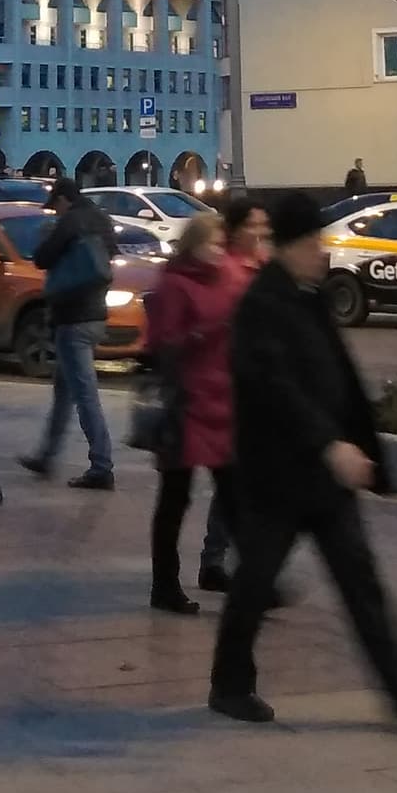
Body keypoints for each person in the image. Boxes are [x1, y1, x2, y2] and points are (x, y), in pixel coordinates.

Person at [208, 190, 397, 725]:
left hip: (323, 475)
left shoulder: (308, 298)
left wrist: (357, 443)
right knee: (256, 580)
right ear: (291, 247)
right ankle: (229, 685)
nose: (322, 253)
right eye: (313, 243)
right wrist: (329, 443)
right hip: (278, 473)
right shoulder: (262, 305)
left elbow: (337, 375)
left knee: (359, 578)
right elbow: (275, 387)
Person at [143, 207, 243, 613]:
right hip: (185, 406)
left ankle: (254, 578)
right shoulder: (175, 284)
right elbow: (164, 344)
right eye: (212, 244)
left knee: (235, 495)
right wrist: (206, 333)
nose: (219, 251)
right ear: (193, 246)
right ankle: (164, 585)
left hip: (221, 403)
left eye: (221, 244)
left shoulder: (226, 278)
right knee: (175, 498)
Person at [198, 195, 274, 591]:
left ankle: (220, 560)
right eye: (253, 225)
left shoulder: (259, 266)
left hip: (256, 388)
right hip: (232, 389)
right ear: (235, 229)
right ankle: (228, 563)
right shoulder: (227, 271)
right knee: (241, 481)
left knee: (242, 482)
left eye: (264, 225)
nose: (260, 232)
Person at [22, 176, 117, 489]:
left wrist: (48, 236)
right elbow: (109, 258)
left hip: (72, 318)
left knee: (85, 394)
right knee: (64, 391)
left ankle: (101, 465)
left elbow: (42, 258)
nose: (55, 211)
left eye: (55, 206)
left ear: (63, 199)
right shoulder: (101, 219)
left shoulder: (70, 222)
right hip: (96, 314)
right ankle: (46, 456)